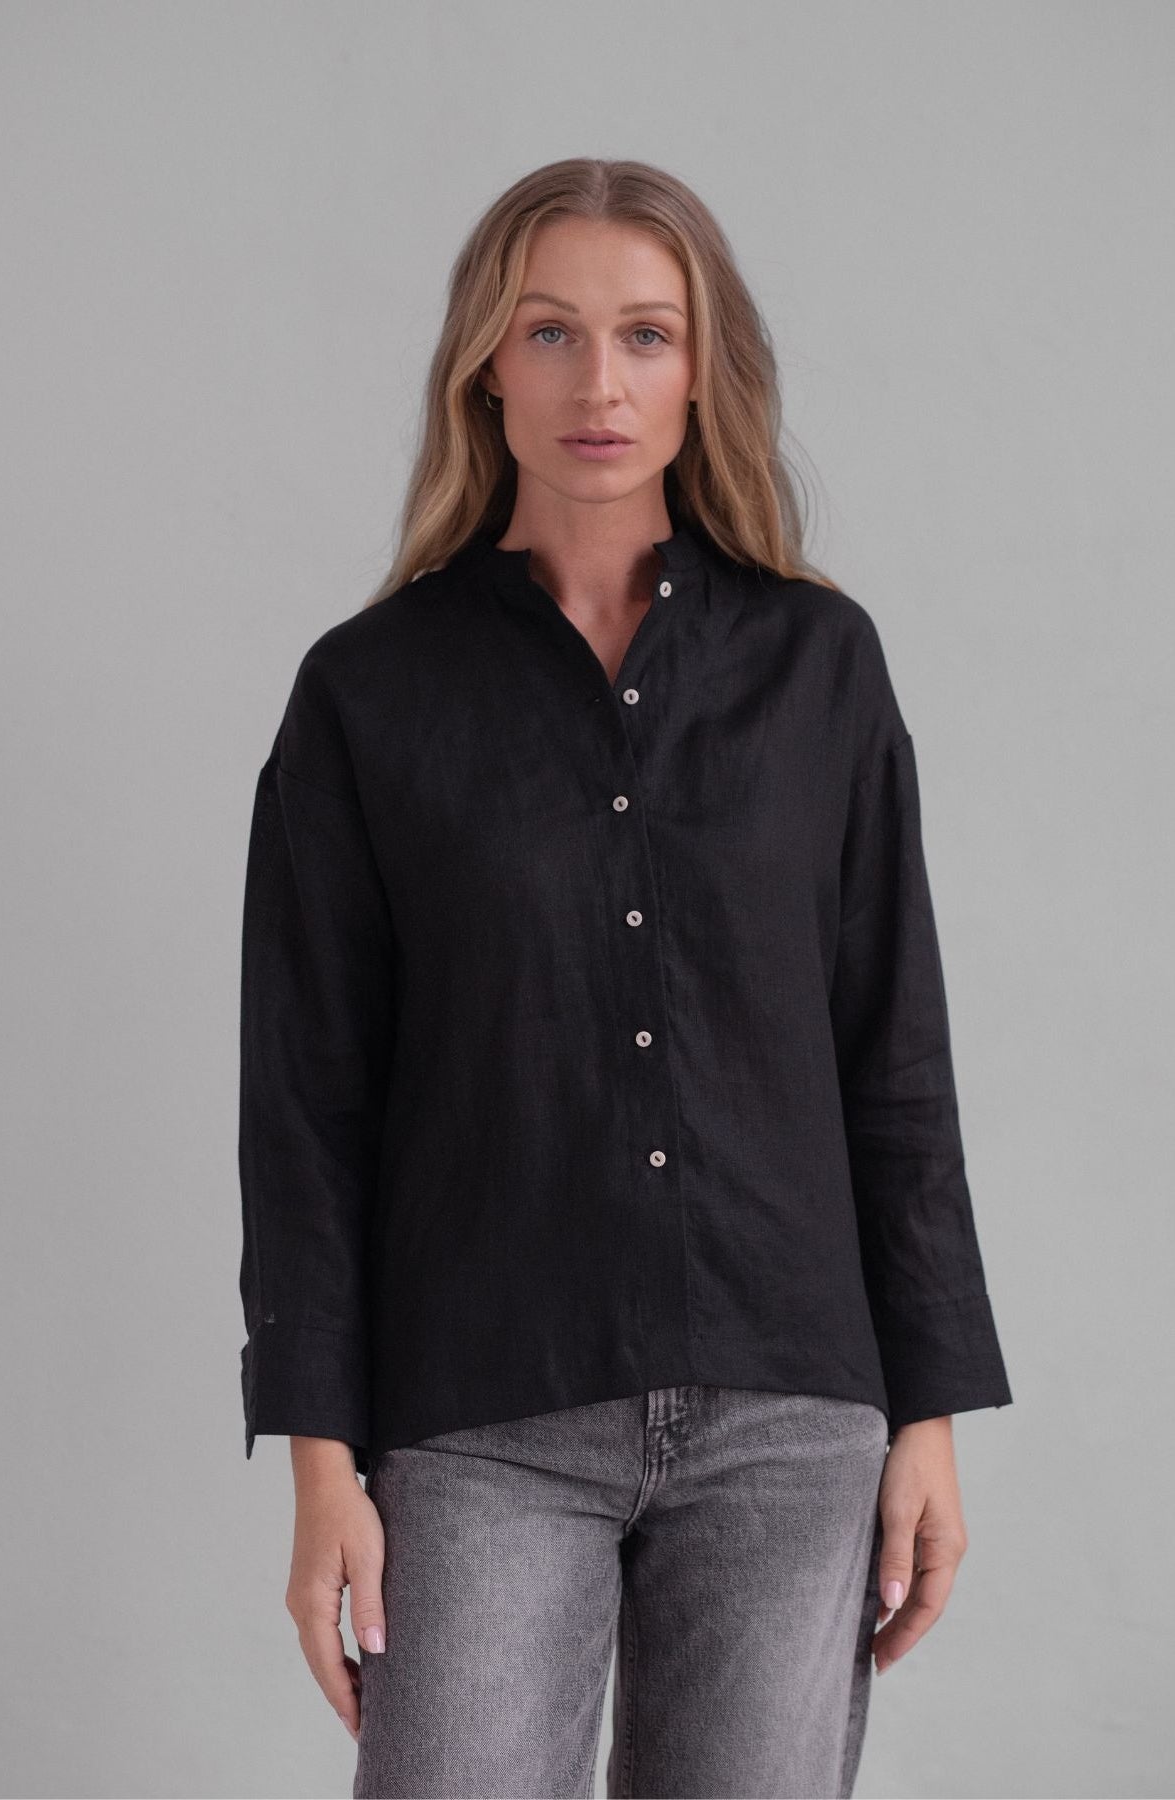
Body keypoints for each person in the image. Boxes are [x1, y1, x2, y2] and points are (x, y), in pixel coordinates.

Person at [237, 157, 1013, 1800]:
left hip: (788, 1404)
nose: (599, 382)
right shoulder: (369, 694)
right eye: (551, 332)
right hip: (480, 1411)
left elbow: (891, 1052)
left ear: (701, 370)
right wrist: (320, 1470)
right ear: (484, 367)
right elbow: (306, 1105)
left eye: (645, 335)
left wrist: (929, 1419)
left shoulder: (818, 665)